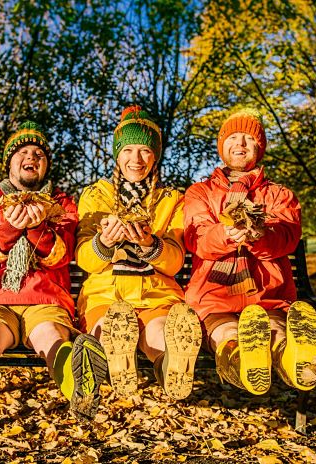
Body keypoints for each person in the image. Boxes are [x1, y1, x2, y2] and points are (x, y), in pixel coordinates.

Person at [0, 121, 107, 424]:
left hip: (44, 298)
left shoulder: (61, 203)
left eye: (39, 154)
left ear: (45, 166)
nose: (32, 157)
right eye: (24, 152)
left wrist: (38, 226)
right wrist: (8, 229)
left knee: (52, 336)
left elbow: (62, 254)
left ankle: (80, 387)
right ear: (10, 162)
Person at [184, 107, 316, 395]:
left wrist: (260, 235)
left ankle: (295, 361)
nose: (240, 144)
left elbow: (287, 237)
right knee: (226, 334)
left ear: (259, 148)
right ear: (222, 146)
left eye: (248, 139)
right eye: (233, 137)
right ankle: (242, 365)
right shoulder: (200, 192)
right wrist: (227, 234)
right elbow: (197, 238)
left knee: (274, 331)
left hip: (267, 296)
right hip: (215, 298)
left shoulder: (279, 195)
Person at [75, 105, 201, 400]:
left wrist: (150, 245)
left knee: (158, 332)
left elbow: (174, 263)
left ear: (155, 155)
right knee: (109, 326)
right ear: (117, 154)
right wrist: (104, 242)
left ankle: (170, 368)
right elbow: (84, 258)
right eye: (128, 149)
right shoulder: (96, 195)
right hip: (106, 294)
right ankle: (120, 361)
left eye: (144, 150)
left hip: (155, 294)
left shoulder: (172, 200)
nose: (136, 159)